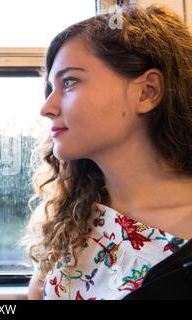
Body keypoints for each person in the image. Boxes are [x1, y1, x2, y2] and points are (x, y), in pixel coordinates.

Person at [22, 4, 192, 300]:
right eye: (51, 88)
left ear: (147, 91)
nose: (46, 108)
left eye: (70, 82)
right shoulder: (73, 218)